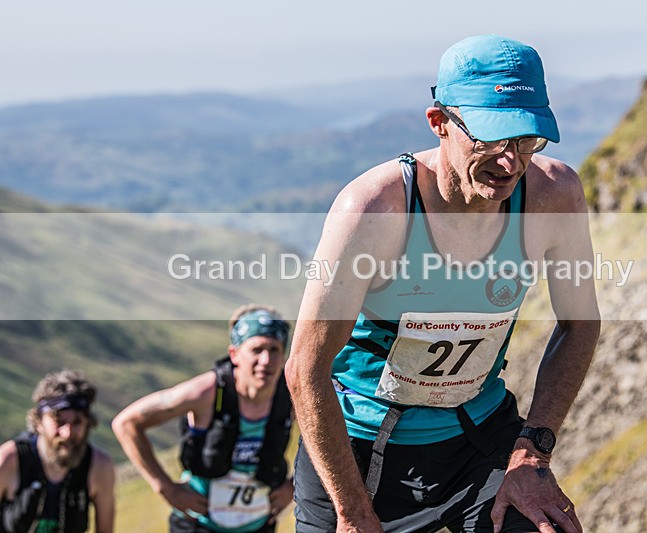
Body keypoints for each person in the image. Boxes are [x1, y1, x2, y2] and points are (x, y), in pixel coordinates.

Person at [285, 34, 601, 533]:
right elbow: (305, 369)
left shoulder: (552, 196)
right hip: (358, 448)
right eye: (491, 138)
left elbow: (580, 324)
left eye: (525, 139)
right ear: (439, 123)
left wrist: (533, 454)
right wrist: (351, 512)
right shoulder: (374, 209)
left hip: (479, 435)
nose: (510, 162)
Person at [112, 304, 294, 533]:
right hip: (198, 525)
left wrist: (293, 485)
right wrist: (165, 488)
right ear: (234, 354)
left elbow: (332, 432)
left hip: (259, 526)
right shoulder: (207, 393)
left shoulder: (291, 397)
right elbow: (127, 423)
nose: (266, 360)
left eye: (275, 349)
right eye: (257, 349)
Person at [0, 369, 116, 533]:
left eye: (77, 423)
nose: (67, 434)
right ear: (38, 422)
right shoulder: (9, 460)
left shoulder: (99, 467)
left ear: (88, 424)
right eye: (59, 422)